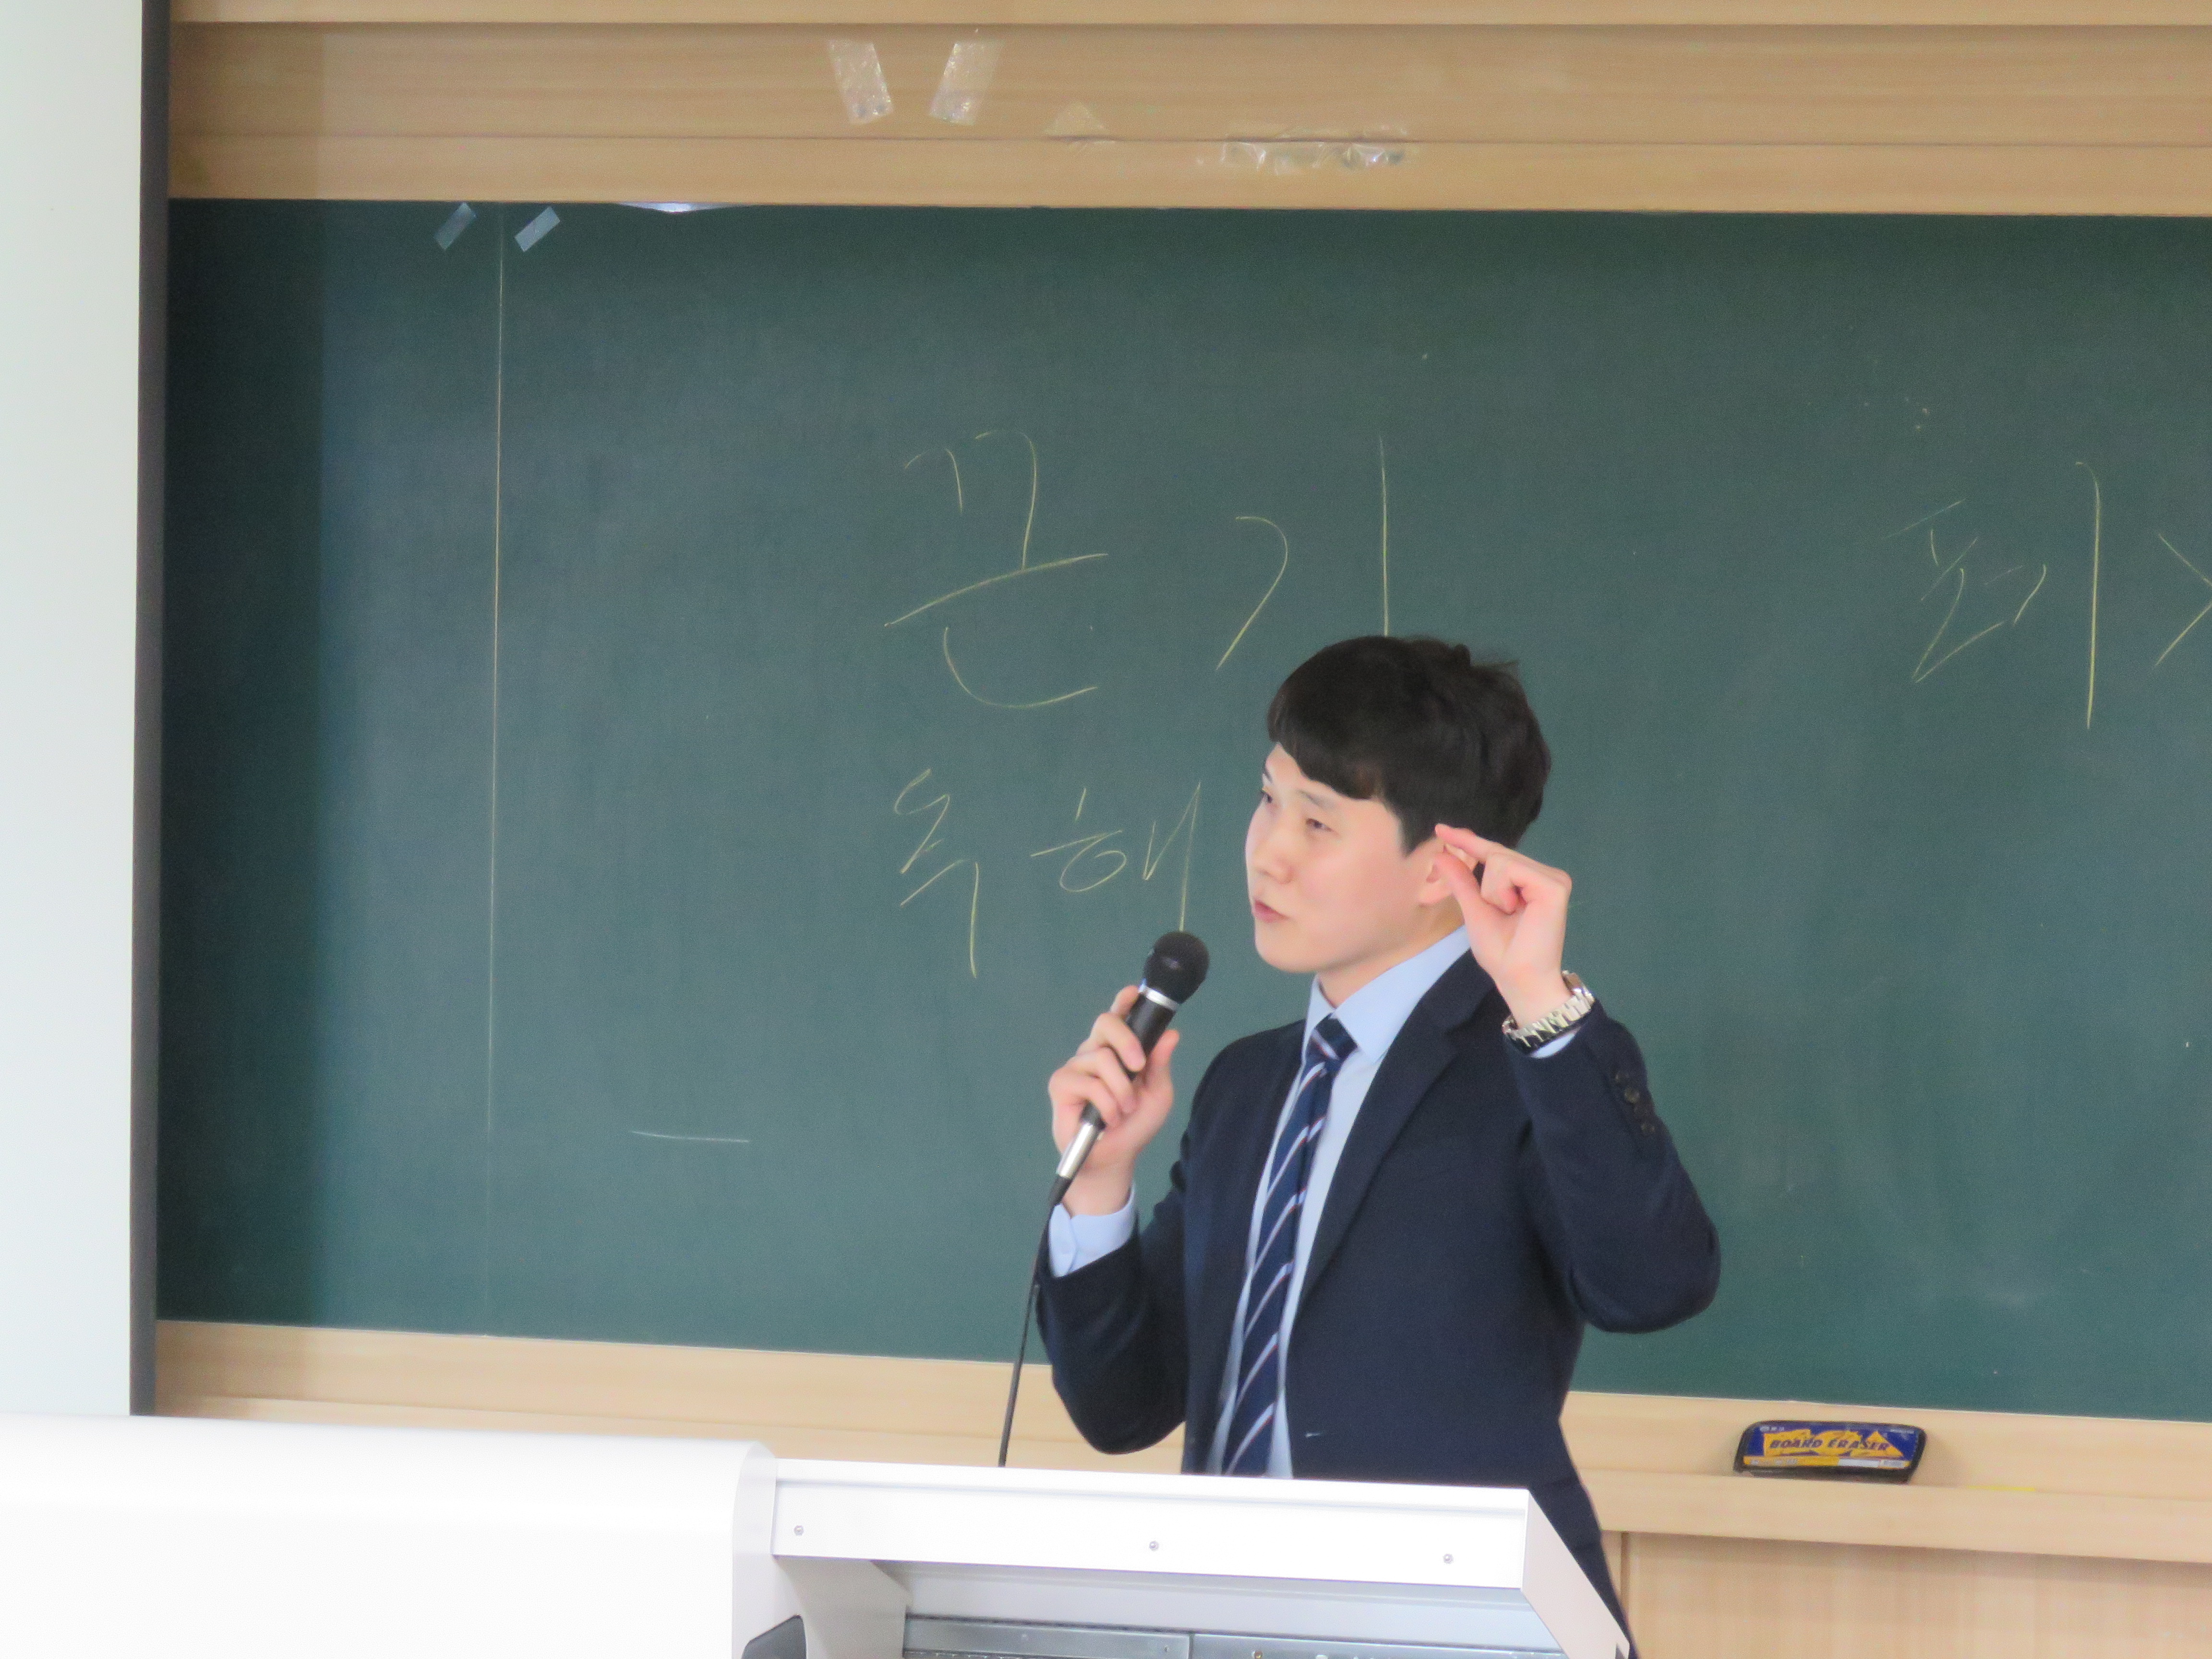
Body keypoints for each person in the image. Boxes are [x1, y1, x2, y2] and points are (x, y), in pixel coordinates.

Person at [1037, 636, 1719, 1641]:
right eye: (1268, 799)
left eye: (1318, 821)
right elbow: (1122, 1411)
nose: (1268, 851)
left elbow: (1654, 1286)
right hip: (1227, 1621)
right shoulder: (1246, 1086)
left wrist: (1543, 1005)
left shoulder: (1530, 1063)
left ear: (1441, 867)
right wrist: (1099, 1186)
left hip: (1461, 1627)